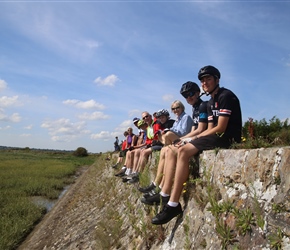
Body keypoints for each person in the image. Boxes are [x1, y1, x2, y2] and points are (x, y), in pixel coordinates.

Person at [151, 65, 242, 225]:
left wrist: (192, 139)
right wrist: (190, 138)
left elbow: (220, 128)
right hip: (216, 135)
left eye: (208, 79)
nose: (205, 82)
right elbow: (209, 127)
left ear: (217, 79)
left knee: (184, 151)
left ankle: (173, 204)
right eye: (202, 80)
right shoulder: (211, 101)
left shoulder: (225, 96)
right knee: (176, 148)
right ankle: (166, 195)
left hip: (226, 137)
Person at [139, 81, 208, 204]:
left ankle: (165, 194)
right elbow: (195, 129)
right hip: (189, 137)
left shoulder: (189, 115)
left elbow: (195, 130)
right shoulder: (189, 112)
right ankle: (158, 185)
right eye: (173, 109)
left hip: (192, 138)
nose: (175, 110)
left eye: (177, 108)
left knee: (169, 144)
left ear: (182, 108)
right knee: (166, 149)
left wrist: (182, 139)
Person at [123, 111, 163, 184]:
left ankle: (138, 174)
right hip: (153, 144)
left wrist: (147, 144)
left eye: (147, 116)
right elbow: (148, 140)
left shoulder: (155, 123)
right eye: (144, 118)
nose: (145, 118)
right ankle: (135, 172)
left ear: (150, 116)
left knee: (143, 152)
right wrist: (145, 145)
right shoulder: (148, 127)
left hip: (159, 144)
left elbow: (157, 136)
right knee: (141, 151)